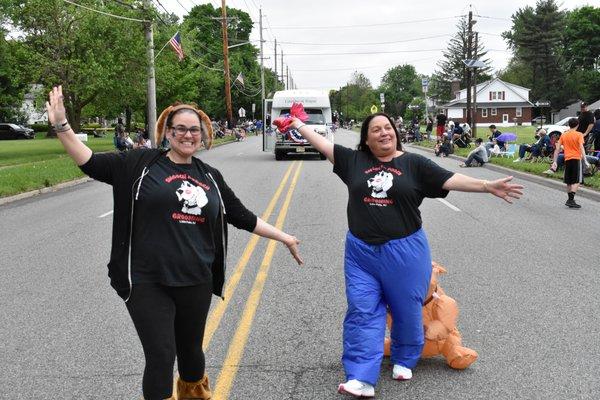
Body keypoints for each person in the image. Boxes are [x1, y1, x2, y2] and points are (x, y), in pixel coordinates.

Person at [45, 86, 303, 400]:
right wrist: (62, 125)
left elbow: (241, 216)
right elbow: (90, 163)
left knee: (192, 354)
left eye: (194, 130)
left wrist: (284, 237)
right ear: (168, 132)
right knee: (161, 355)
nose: (188, 135)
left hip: (196, 278)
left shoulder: (210, 176)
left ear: (203, 134)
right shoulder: (140, 164)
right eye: (180, 128)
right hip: (146, 280)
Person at [287, 109, 523, 398]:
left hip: (406, 251)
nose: (384, 132)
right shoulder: (353, 161)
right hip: (361, 252)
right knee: (362, 310)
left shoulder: (414, 164)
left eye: (388, 127)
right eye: (376, 129)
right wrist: (298, 123)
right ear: (366, 139)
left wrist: (487, 185)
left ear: (395, 133)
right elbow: (322, 144)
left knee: (406, 307)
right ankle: (360, 376)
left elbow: (450, 179)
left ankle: (405, 357)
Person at [551, 117, 586, 208]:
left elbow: (557, 149)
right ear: (577, 125)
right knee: (577, 180)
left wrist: (555, 161)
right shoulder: (579, 134)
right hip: (576, 158)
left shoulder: (564, 135)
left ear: (569, 125)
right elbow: (581, 147)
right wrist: (585, 160)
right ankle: (571, 200)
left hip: (567, 159)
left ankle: (570, 199)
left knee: (569, 181)